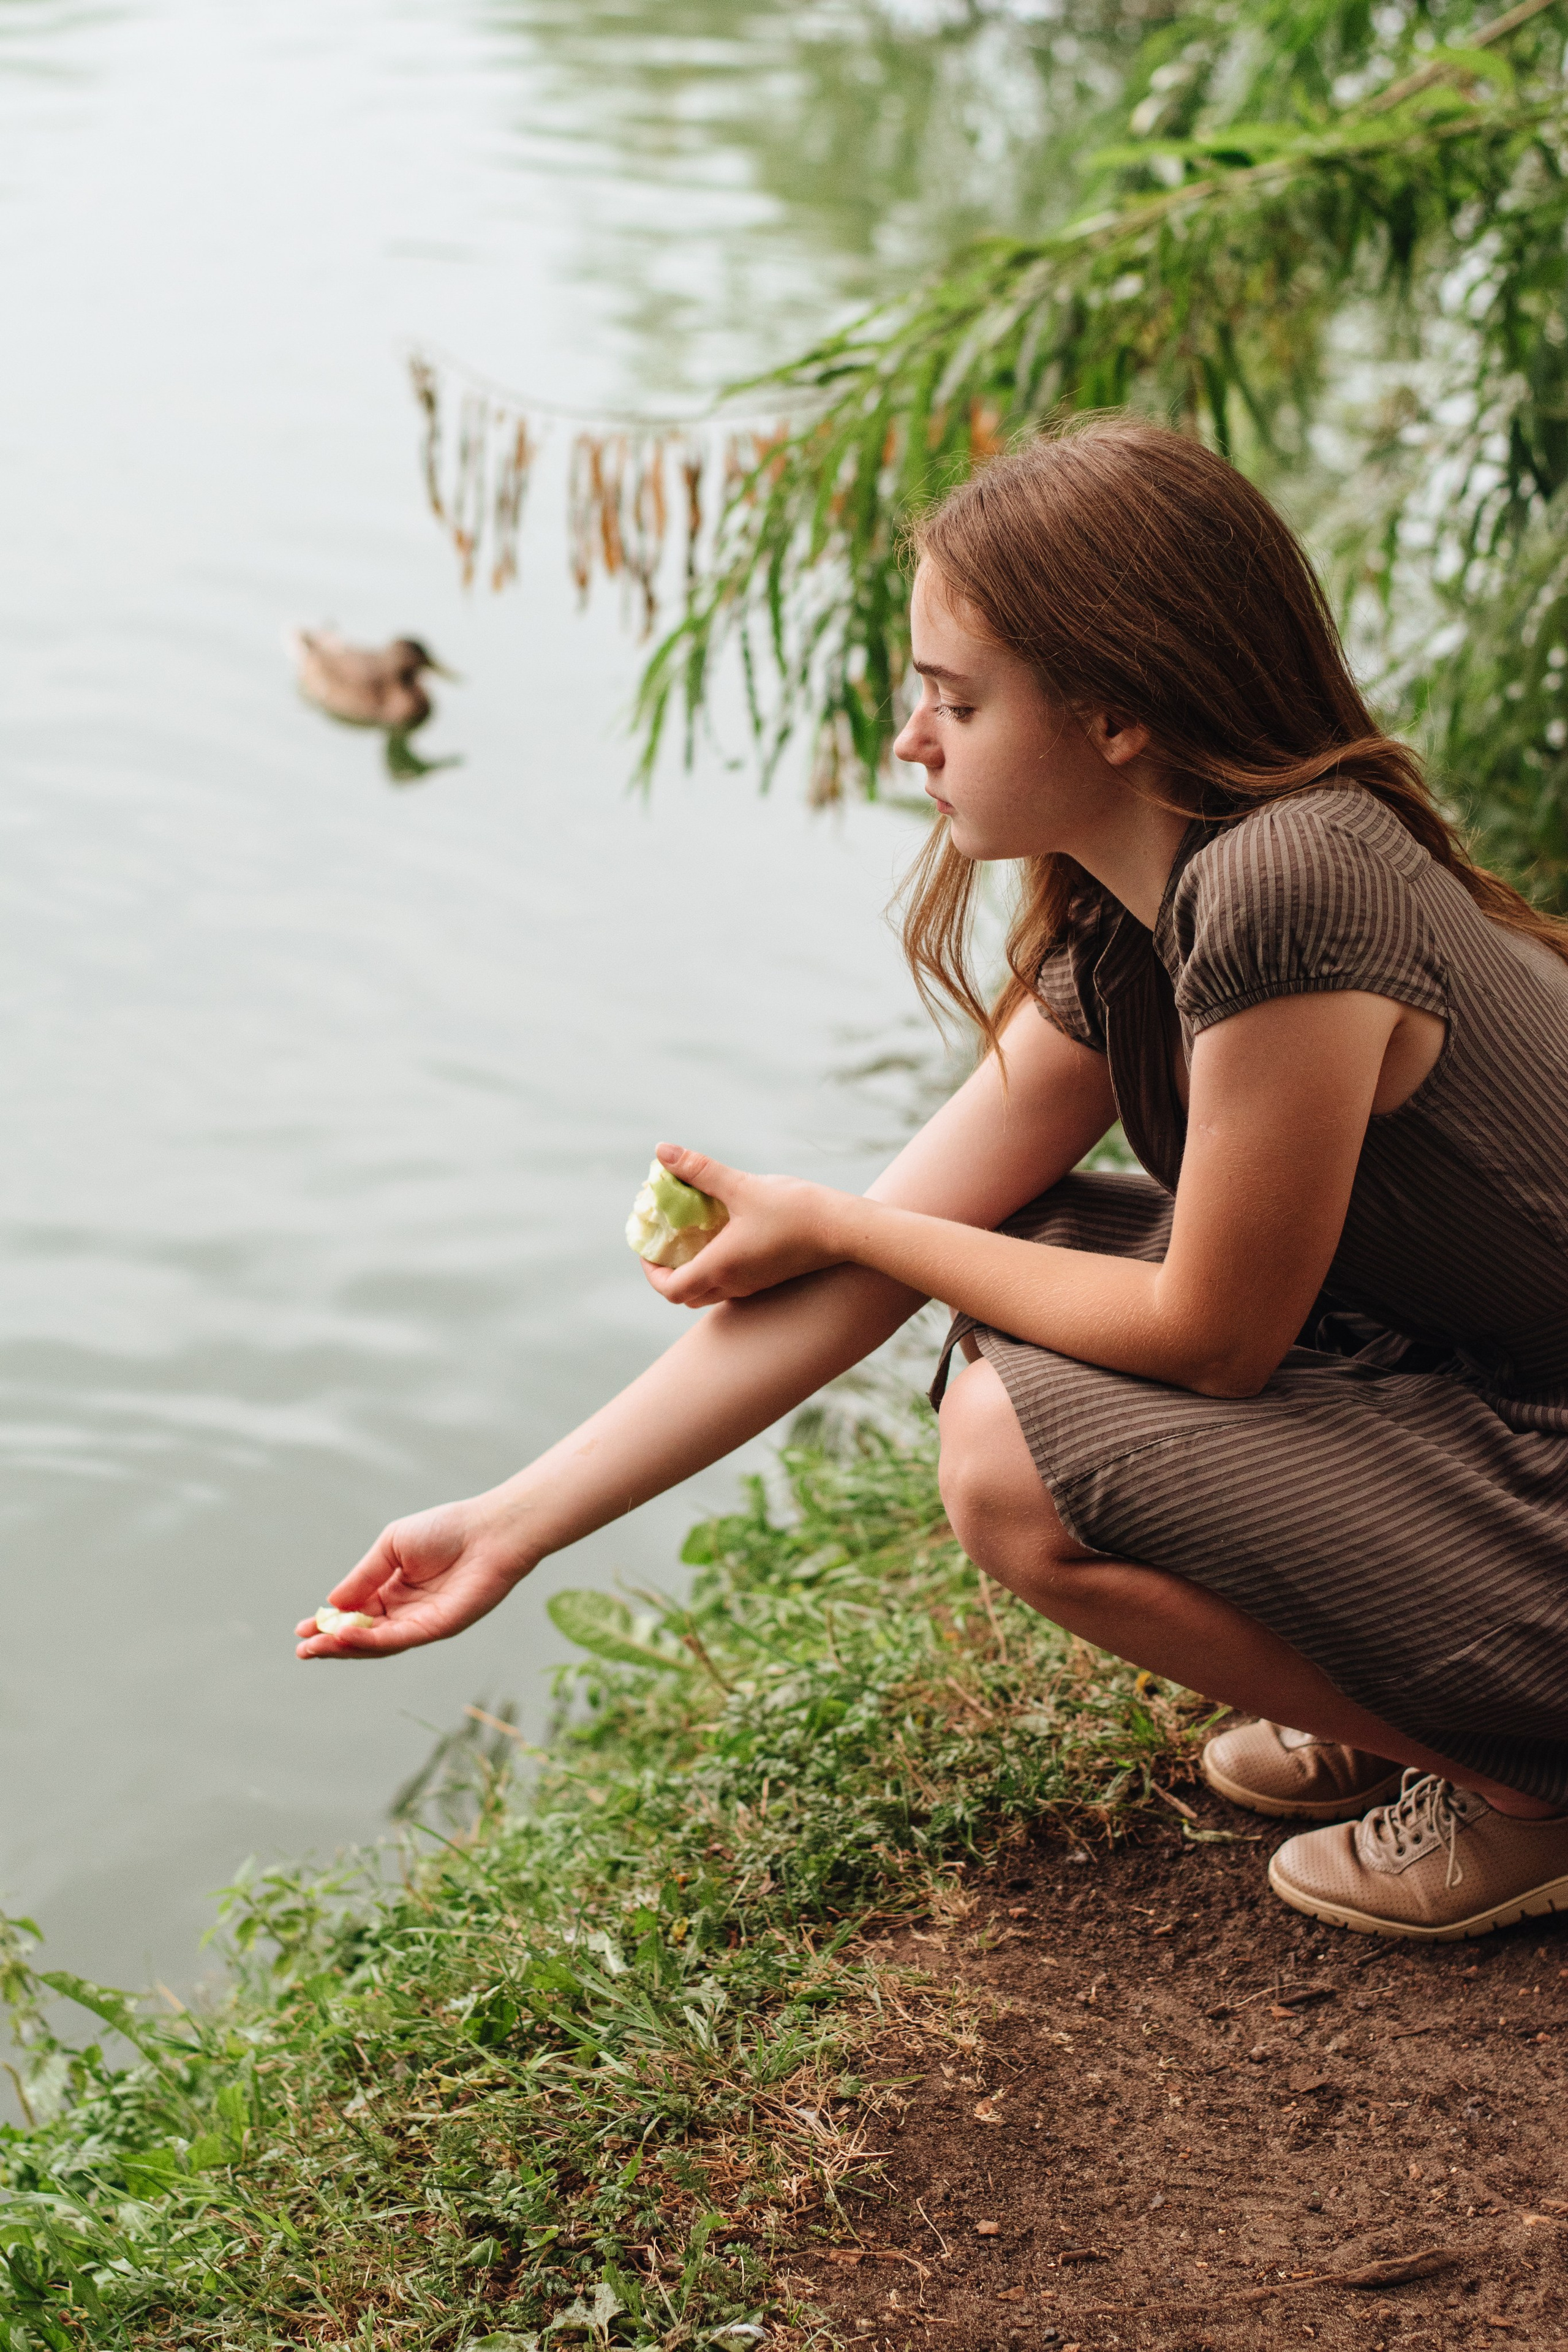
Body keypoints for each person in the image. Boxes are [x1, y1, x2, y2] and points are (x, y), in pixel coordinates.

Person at [298, 417, 1568, 1943]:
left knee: (1006, 1460)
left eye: (953, 701)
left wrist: (840, 1216)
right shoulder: (1132, 916)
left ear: (1110, 716)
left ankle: (1528, 1785)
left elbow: (1210, 1338)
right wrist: (509, 1524)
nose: (913, 744)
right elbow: (880, 1260)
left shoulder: (1283, 883)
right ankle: (1398, 1688)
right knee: (1002, 1238)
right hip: (1483, 1387)